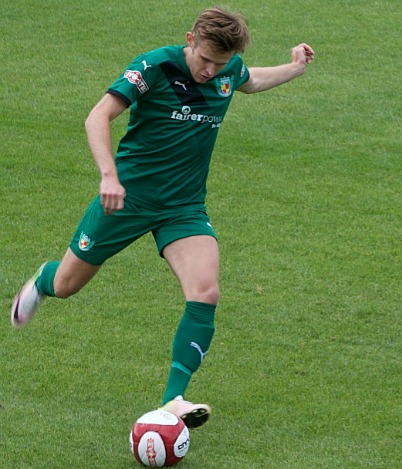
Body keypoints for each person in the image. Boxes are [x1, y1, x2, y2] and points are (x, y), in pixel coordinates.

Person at [10, 7, 315, 428]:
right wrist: (108, 176)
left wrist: (296, 68)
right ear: (190, 39)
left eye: (219, 64)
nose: (210, 71)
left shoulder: (230, 70)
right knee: (67, 285)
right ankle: (44, 280)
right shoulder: (154, 65)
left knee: (205, 292)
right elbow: (98, 115)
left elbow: (251, 79)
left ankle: (174, 397)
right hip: (126, 199)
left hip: (184, 207)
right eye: (204, 59)